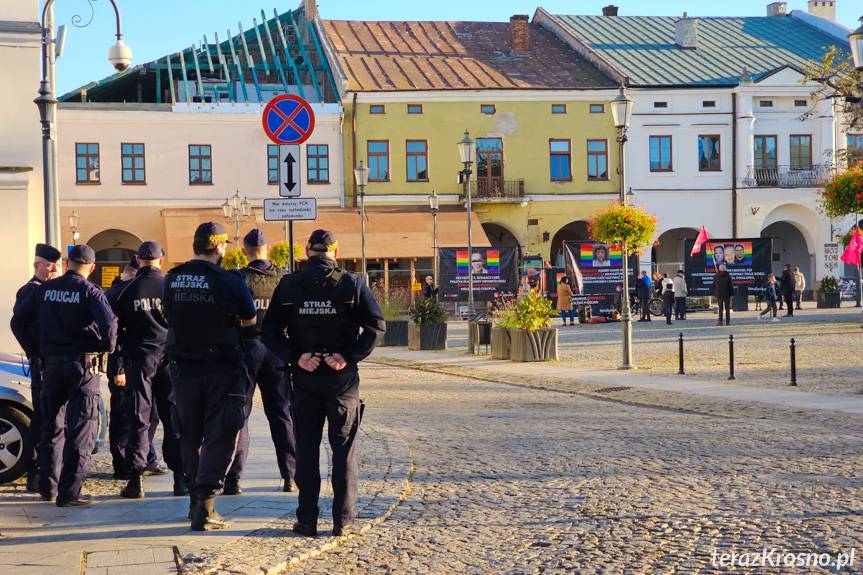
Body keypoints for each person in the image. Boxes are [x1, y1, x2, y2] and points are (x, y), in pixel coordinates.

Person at [262, 229, 385, 538]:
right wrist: (347, 356)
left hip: (305, 377)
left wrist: (297, 357)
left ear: (307, 251)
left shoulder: (289, 284)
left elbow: (270, 331)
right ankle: (343, 521)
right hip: (341, 379)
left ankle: (307, 520)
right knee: (343, 451)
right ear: (335, 252)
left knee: (306, 450)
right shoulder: (352, 283)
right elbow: (376, 327)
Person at [164, 222, 257, 531]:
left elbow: (168, 315)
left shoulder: (173, 278)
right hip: (222, 368)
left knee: (189, 432)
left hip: (183, 368)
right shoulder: (230, 280)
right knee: (220, 433)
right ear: (218, 247)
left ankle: (194, 500)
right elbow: (250, 318)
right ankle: (205, 506)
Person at [37, 244, 118, 506]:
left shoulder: (46, 289)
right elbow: (109, 323)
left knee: (52, 427)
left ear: (67, 263)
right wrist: (105, 346)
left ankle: (48, 487)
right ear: (92, 268)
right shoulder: (90, 290)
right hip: (81, 366)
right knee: (82, 429)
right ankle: (70, 493)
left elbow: (20, 320)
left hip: (51, 365)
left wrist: (35, 349)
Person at [225, 229, 297, 495]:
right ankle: (290, 476)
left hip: (246, 349)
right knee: (282, 415)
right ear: (268, 248)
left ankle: (233, 478)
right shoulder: (284, 278)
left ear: (245, 250)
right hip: (277, 351)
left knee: (240, 415)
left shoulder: (238, 278)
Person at [111, 241, 184, 499]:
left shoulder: (124, 290)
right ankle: (180, 479)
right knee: (173, 419)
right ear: (161, 261)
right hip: (169, 359)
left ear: (139, 260)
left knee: (138, 418)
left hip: (139, 359)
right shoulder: (172, 286)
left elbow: (114, 331)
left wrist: (118, 365)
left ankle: (136, 480)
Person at [10, 243, 62, 492]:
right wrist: (35, 352)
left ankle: (47, 469)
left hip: (54, 360)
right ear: (37, 265)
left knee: (50, 417)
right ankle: (35, 472)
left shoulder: (52, 290)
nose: (53, 270)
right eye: (48, 265)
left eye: (55, 266)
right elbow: (18, 324)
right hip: (42, 362)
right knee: (41, 418)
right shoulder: (31, 291)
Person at [103, 256, 146, 480]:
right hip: (121, 363)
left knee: (134, 413)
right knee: (122, 414)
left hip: (130, 361)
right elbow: (116, 334)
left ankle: (137, 460)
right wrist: (119, 368)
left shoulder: (121, 291)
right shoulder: (119, 294)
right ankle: (121, 464)